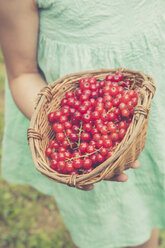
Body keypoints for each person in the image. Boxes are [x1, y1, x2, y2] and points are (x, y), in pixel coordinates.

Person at [0, 0, 164, 247]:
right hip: (88, 143)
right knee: (117, 230)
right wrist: (63, 130)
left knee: (151, 204)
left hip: (154, 98)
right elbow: (22, 72)